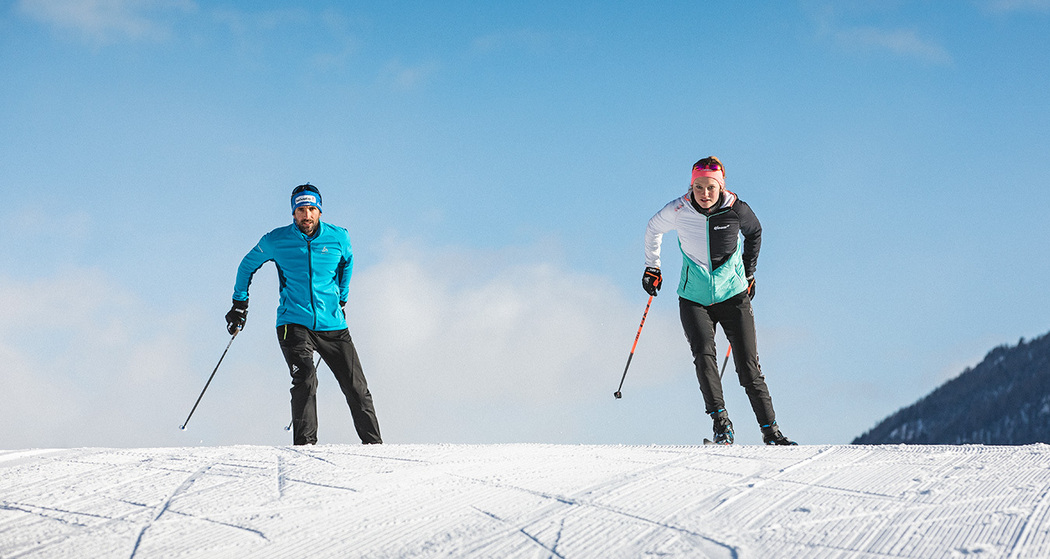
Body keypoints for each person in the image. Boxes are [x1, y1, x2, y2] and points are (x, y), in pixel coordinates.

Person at [642, 156, 795, 445]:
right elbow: (653, 228)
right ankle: (721, 424)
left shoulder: (737, 210)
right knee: (703, 356)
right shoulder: (678, 209)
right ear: (691, 186)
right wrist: (653, 266)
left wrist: (748, 273)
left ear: (721, 186)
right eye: (698, 187)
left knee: (748, 367)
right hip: (693, 298)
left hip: (733, 296)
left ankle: (771, 432)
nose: (704, 193)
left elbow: (755, 233)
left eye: (710, 187)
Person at [225, 184, 382, 446]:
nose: (306, 215)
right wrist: (239, 303)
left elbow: (347, 263)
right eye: (300, 210)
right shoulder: (275, 240)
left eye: (311, 209)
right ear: (293, 212)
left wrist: (342, 297)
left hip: (333, 325)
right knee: (306, 378)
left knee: (357, 387)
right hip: (293, 322)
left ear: (319, 211)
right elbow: (246, 265)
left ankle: (375, 447)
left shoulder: (339, 237)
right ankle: (305, 449)